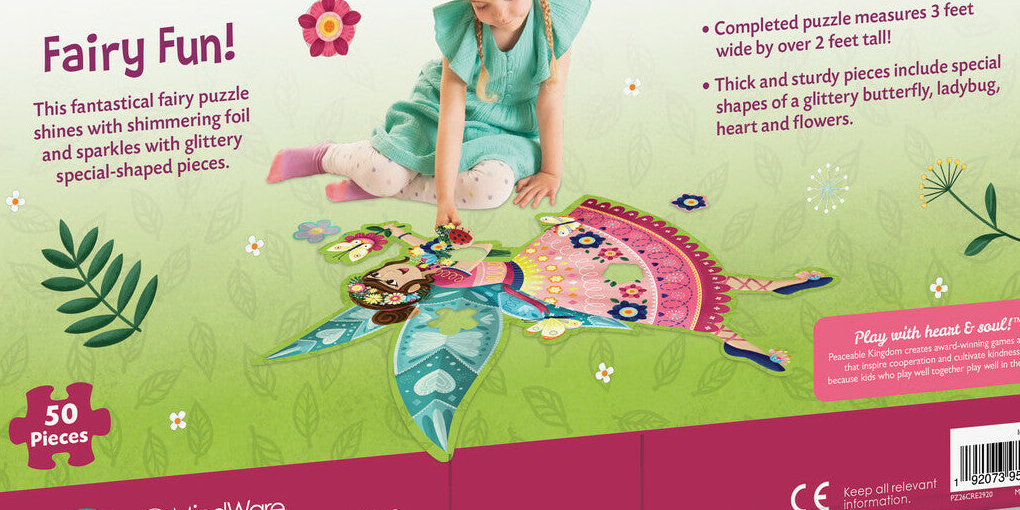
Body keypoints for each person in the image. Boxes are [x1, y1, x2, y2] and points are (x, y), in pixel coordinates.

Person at [268, 0, 590, 230]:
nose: (500, 14)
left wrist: (551, 171)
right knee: (383, 174)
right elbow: (451, 117)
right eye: (482, 5)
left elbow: (550, 101)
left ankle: (381, 185)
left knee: (491, 189)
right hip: (438, 115)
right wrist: (445, 199)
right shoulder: (464, 30)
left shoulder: (555, 22)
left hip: (508, 131)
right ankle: (326, 156)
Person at [339, 208, 835, 372]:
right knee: (651, 297)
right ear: (406, 292)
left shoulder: (426, 265)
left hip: (540, 264)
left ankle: (778, 285)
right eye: (395, 283)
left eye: (387, 272)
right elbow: (477, 255)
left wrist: (395, 234)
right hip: (543, 283)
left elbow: (425, 247)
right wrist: (445, 252)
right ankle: (741, 340)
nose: (396, 272)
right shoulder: (442, 279)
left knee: (651, 272)